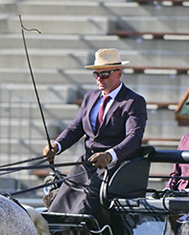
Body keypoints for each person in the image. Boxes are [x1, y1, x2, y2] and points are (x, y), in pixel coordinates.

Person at [42, 48, 147, 218]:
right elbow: (76, 128)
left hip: (114, 168)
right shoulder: (90, 97)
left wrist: (109, 155)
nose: (99, 79)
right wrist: (57, 145)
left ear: (118, 73)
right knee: (59, 204)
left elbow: (134, 138)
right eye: (96, 74)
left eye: (104, 74)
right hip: (87, 164)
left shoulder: (133, 101)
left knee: (83, 207)